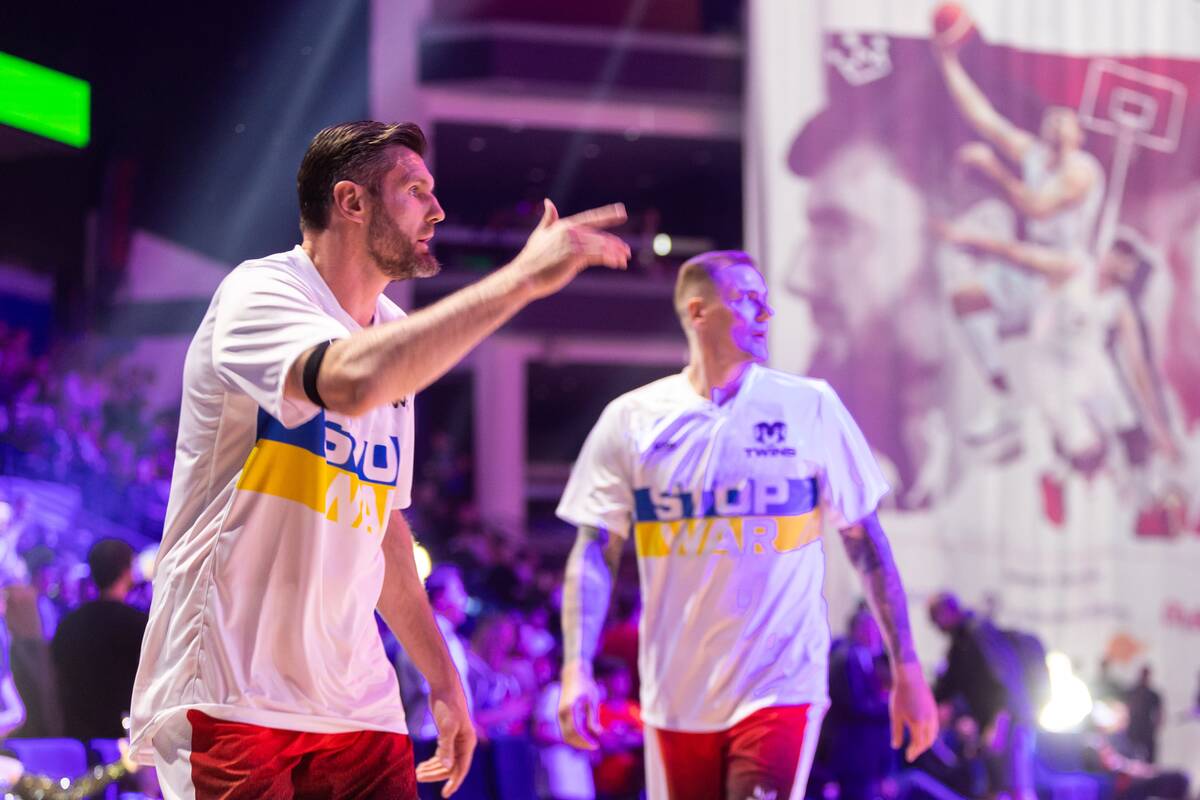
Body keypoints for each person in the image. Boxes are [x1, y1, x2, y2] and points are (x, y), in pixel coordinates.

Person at [129, 120, 630, 799]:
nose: (437, 210)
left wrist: (444, 681)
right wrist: (520, 280)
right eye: (414, 190)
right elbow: (352, 380)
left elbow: (383, 524)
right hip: (231, 686)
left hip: (357, 699)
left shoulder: (393, 330)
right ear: (352, 201)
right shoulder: (260, 292)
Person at [556, 251, 938, 800]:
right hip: (676, 693)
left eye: (766, 299)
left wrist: (907, 667)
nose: (767, 313)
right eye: (748, 300)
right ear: (698, 312)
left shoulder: (809, 406)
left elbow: (866, 542)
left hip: (780, 683)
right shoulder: (631, 419)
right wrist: (576, 668)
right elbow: (594, 548)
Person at [931, 19, 1104, 442]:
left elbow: (1038, 207)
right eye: (1051, 118)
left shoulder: (1081, 171)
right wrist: (947, 60)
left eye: (1065, 120)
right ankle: (1002, 395)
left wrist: (992, 168)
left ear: (1079, 133)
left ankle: (1095, 440)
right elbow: (982, 115)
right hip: (1031, 266)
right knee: (966, 297)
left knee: (1066, 390)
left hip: (1064, 274)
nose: (1056, 124)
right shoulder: (1034, 155)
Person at [928, 592, 1036, 800]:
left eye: (935, 618)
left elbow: (1005, 678)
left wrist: (999, 722)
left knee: (1015, 786)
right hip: (995, 721)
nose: (935, 626)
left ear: (947, 611)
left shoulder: (978, 634)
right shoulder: (961, 641)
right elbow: (948, 685)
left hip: (1009, 720)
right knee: (998, 786)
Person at [51, 538, 147, 741]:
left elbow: (57, 676)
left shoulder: (69, 622)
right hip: (122, 738)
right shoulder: (139, 624)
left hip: (76, 734)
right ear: (126, 571)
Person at [394, 564, 474, 740]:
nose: (464, 600)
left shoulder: (450, 639)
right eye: (459, 592)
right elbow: (435, 690)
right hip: (429, 739)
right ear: (440, 598)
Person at [1123, 666, 1163, 764]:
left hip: (1146, 730)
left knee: (1149, 759)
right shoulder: (1131, 692)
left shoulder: (1153, 695)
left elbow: (1159, 714)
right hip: (1133, 730)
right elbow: (1124, 710)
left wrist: (1155, 728)